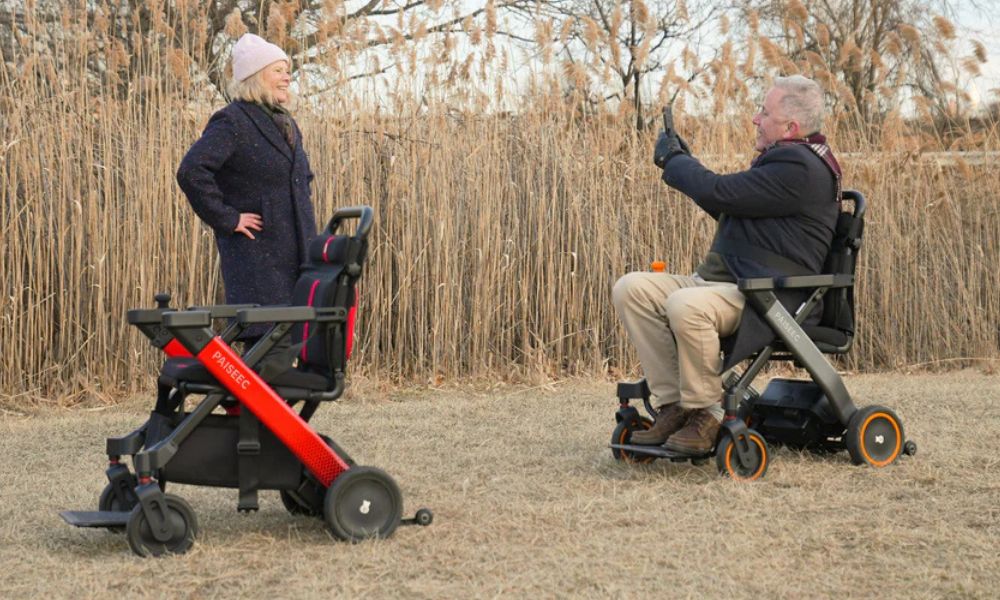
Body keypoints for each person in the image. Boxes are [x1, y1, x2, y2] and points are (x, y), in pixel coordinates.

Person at [615, 75, 843, 453]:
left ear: (790, 127)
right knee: (632, 288)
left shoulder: (798, 166)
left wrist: (675, 161)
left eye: (763, 112)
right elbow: (727, 203)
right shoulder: (784, 163)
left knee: (685, 305)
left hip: (767, 296)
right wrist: (685, 164)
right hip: (731, 285)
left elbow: (720, 191)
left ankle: (707, 412)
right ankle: (673, 406)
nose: (755, 119)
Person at [176, 33, 317, 337]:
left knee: (292, 343)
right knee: (265, 346)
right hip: (259, 257)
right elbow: (191, 171)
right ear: (255, 75)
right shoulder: (232, 121)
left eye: (287, 70)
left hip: (297, 252)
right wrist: (228, 218)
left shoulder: (286, 122)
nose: (286, 77)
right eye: (278, 70)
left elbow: (300, 179)